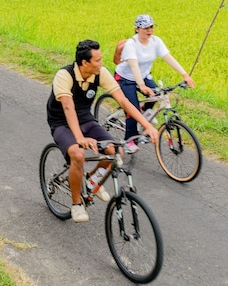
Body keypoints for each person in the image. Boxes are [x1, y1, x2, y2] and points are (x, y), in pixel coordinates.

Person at [48, 39, 159, 223]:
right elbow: (68, 107)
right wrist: (80, 138)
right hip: (61, 122)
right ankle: (76, 204)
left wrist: (147, 125)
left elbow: (123, 101)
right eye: (97, 60)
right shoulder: (64, 76)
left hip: (85, 119)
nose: (101, 63)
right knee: (78, 154)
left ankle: (91, 180)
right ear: (85, 63)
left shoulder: (100, 73)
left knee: (116, 152)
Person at [113, 14, 196, 153]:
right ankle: (129, 140)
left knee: (157, 94)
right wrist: (141, 85)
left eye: (151, 27)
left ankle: (144, 113)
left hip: (143, 76)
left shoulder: (155, 41)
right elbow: (134, 65)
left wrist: (184, 74)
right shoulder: (131, 44)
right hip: (125, 78)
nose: (149, 30)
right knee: (133, 109)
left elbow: (168, 57)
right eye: (145, 28)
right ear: (137, 29)